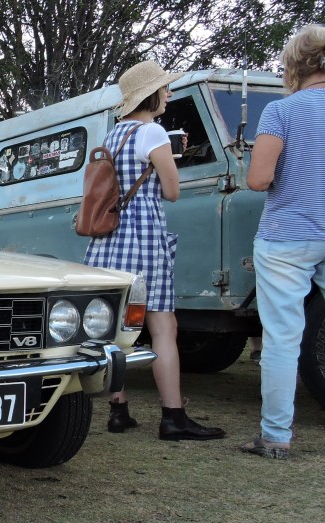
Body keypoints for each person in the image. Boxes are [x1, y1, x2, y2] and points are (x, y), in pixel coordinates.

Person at [83, 60, 225, 441]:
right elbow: (172, 191)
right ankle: (173, 416)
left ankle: (118, 410)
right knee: (163, 326)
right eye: (164, 88)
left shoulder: (113, 135)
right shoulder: (153, 132)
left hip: (108, 239)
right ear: (151, 95)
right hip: (143, 237)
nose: (169, 93)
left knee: (116, 327)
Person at [241, 24, 325, 460]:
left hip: (287, 236)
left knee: (281, 339)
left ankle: (275, 437)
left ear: (295, 65)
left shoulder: (281, 111)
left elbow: (259, 179)